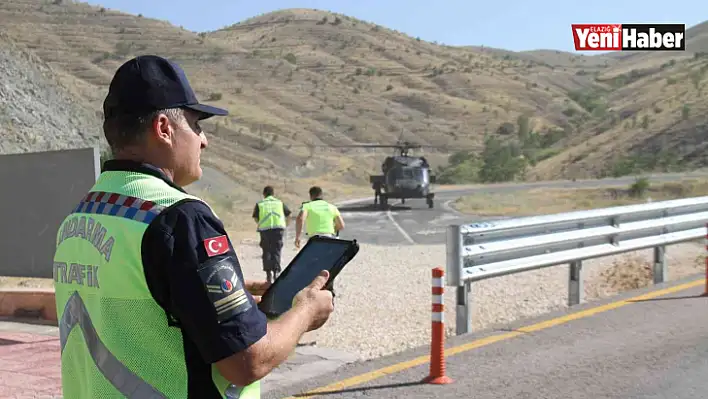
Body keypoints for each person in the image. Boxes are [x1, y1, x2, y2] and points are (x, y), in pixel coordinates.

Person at [51, 55, 334, 399]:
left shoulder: (81, 215)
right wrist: (305, 311)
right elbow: (246, 362)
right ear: (164, 129)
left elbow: (135, 305)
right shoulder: (180, 218)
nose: (204, 140)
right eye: (197, 125)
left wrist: (204, 292)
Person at [252, 185, 291, 283]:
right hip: (278, 229)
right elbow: (288, 214)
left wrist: (260, 223)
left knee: (266, 251)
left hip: (265, 230)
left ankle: (268, 274)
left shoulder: (260, 204)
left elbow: (256, 217)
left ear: (264, 194)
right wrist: (285, 224)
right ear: (273, 194)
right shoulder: (279, 203)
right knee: (276, 250)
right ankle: (276, 272)